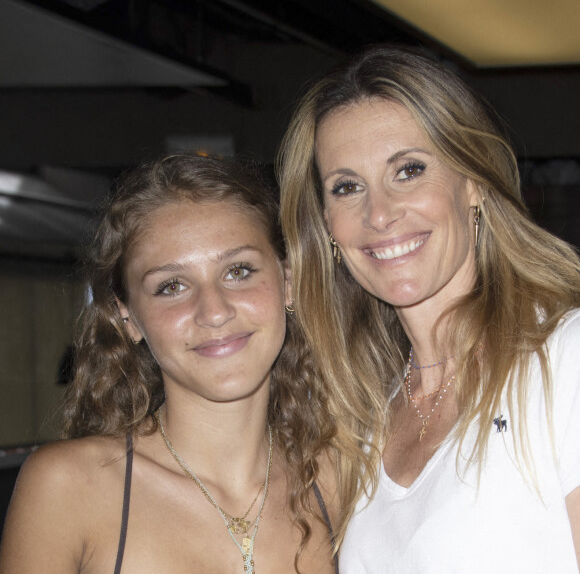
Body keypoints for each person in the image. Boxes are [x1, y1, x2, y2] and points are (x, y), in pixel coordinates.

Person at [278, 45, 580, 572]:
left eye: (409, 170)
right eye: (347, 187)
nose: (379, 214)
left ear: (474, 184)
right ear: (326, 225)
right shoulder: (363, 417)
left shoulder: (563, 359)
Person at [0, 154, 339, 573]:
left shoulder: (338, 479)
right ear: (127, 317)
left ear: (288, 283)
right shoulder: (70, 489)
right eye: (171, 286)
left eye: (239, 270)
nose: (213, 311)